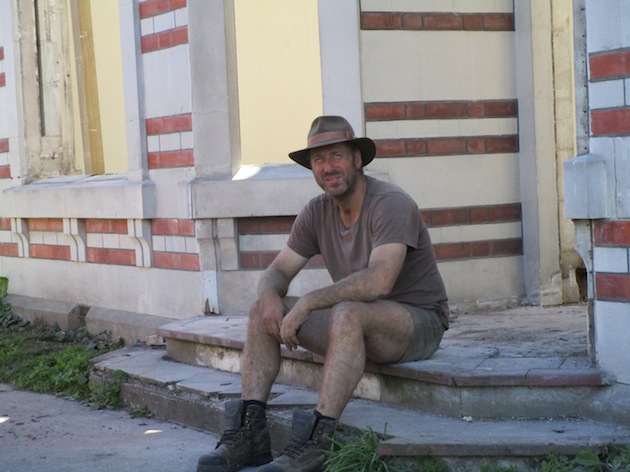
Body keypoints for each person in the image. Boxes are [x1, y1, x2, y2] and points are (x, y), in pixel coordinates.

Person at [197, 115, 449, 472]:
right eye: (319, 159)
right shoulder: (317, 211)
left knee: (348, 312)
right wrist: (270, 296)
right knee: (261, 310)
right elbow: (278, 271)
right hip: (359, 322)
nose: (328, 167)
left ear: (357, 159)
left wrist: (309, 302)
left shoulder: (390, 203)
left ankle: (316, 444)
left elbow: (379, 281)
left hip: (417, 322)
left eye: (336, 156)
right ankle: (250, 434)